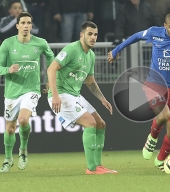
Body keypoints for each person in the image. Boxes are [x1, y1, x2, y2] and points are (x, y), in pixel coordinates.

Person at [108, 13, 170, 171]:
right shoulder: (154, 33)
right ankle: (152, 137)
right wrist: (116, 50)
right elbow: (136, 36)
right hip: (155, 83)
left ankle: (160, 160)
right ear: (165, 26)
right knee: (163, 115)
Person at [47, 21, 118, 175]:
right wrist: (55, 96)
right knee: (90, 123)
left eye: (95, 34)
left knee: (100, 124)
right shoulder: (72, 49)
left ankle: (98, 166)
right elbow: (51, 69)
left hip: (74, 95)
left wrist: (102, 99)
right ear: (82, 35)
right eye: (90, 34)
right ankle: (91, 169)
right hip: (61, 94)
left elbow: (90, 82)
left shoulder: (91, 55)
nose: (93, 37)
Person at [0, 12, 54, 172]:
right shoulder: (7, 44)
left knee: (23, 120)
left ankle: (23, 150)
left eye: (28, 23)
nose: (25, 26)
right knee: (10, 128)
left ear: (31, 26)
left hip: (31, 89)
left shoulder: (40, 43)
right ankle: (8, 159)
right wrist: (8, 69)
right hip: (12, 91)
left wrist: (50, 80)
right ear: (17, 26)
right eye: (22, 23)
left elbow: (52, 59)